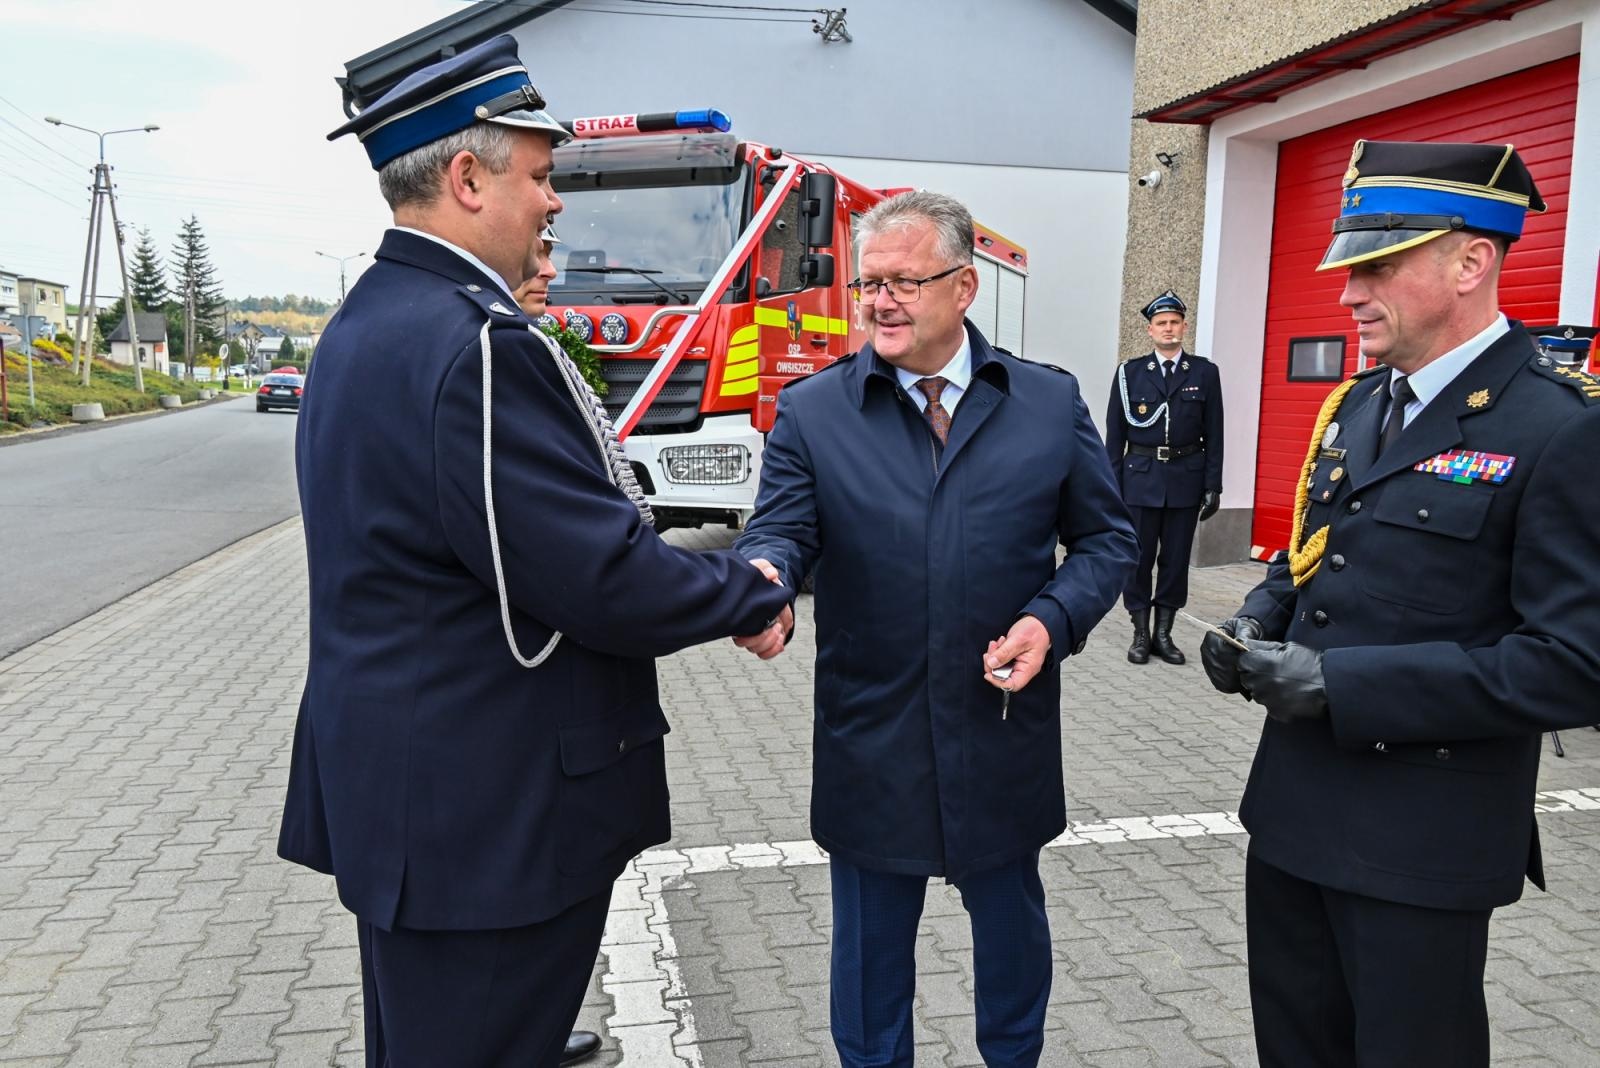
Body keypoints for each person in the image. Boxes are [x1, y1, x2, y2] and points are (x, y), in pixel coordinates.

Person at [277, 36, 793, 1068]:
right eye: (541, 176)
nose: (556, 204)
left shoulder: (369, 322)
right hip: (488, 815)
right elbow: (595, 572)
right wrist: (748, 590)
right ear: (468, 178)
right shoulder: (473, 343)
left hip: (423, 793)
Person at [1201, 140, 1600, 1067]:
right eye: (1347, 269)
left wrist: (1342, 686)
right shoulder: (1358, 405)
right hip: (1295, 817)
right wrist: (1259, 616)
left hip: (1424, 843)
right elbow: (1316, 559)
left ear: (1471, 261)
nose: (1346, 294)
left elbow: (1576, 666)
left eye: (1375, 267)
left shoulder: (1559, 428)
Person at [735, 190, 1137, 1067]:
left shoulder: (1045, 402)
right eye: (868, 282)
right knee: (871, 963)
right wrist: (765, 585)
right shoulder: (815, 413)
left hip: (1001, 730)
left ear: (964, 288)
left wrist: (1053, 616)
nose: (879, 301)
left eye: (904, 283)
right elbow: (782, 533)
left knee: (1012, 942)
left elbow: (1107, 539)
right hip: (870, 734)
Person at [1103, 291, 1224, 666]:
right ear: (1150, 330)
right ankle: (1140, 633)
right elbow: (1115, 434)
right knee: (1138, 560)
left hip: (1185, 481)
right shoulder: (1130, 374)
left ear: (1184, 328)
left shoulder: (1204, 373)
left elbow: (1215, 432)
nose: (1168, 329)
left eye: (1174, 323)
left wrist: (1212, 484)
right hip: (1139, 482)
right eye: (1161, 324)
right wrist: (1110, 486)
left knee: (1174, 561)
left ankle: (1164, 634)